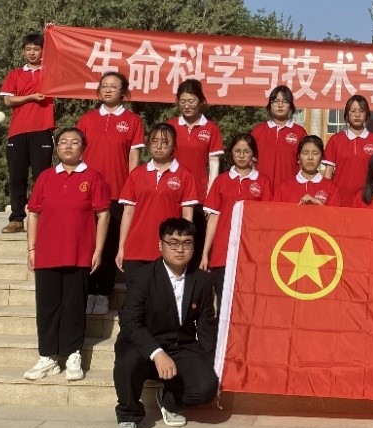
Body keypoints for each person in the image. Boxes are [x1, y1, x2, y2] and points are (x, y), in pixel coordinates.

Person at [112, 217, 218, 428]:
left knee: (206, 388)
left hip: (181, 346)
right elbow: (130, 322)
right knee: (127, 361)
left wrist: (211, 364)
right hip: (143, 343)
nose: (180, 249)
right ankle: (128, 416)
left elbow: (207, 325)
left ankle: (168, 399)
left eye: (187, 243)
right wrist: (157, 353)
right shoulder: (142, 277)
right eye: (173, 243)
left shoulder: (202, 280)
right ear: (161, 245)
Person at [23, 127, 110, 383]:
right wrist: (31, 248)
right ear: (57, 147)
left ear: (83, 148)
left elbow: (103, 214)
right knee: (47, 306)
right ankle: (48, 357)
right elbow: (34, 213)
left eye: (74, 142)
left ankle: (73, 354)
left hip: (79, 252)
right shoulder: (46, 177)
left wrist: (98, 250)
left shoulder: (93, 177)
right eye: (63, 142)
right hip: (47, 253)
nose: (68, 146)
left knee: (74, 306)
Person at [77, 72, 145, 315]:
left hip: (117, 191)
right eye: (104, 86)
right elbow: (77, 155)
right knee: (87, 242)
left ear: (123, 92)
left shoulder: (133, 121)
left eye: (113, 86)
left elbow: (134, 159)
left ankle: (103, 293)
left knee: (108, 244)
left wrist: (132, 190)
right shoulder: (87, 119)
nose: (107, 90)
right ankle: (87, 291)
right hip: (87, 191)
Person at [200, 132, 273, 323]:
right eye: (237, 151)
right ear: (231, 153)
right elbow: (213, 218)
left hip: (251, 253)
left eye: (246, 151)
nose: (241, 155)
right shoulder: (221, 181)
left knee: (247, 305)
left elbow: (267, 221)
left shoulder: (263, 181)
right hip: (223, 254)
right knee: (223, 305)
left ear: (253, 154)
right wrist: (205, 253)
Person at [115, 123, 199, 281]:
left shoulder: (185, 175)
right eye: (154, 141)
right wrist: (121, 248)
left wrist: (182, 247)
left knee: (164, 295)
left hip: (169, 250)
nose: (159, 146)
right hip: (135, 250)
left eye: (165, 142)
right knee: (135, 294)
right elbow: (128, 213)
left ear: (174, 145)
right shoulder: (136, 174)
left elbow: (187, 216)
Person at [0, 32, 55, 234]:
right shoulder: (15, 74)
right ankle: (16, 219)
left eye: (36, 49)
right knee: (17, 177)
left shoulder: (50, 74)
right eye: (28, 49)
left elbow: (64, 59)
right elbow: (7, 100)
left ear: (43, 51)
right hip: (18, 132)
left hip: (42, 131)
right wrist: (30, 97)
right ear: (23, 51)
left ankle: (42, 218)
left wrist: (51, 32)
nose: (32, 53)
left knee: (42, 178)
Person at [171, 79, 224, 267]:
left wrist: (211, 196)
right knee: (172, 240)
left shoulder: (211, 128)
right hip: (172, 192)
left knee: (194, 241)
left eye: (191, 101)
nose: (187, 106)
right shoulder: (171, 126)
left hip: (199, 196)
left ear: (200, 101)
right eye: (183, 101)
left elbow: (214, 164)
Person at [322, 94, 373, 204]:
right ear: (347, 114)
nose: (357, 115)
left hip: (367, 200)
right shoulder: (336, 140)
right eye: (353, 111)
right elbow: (328, 172)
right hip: (339, 199)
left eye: (361, 111)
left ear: (367, 114)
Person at [250, 85, 307, 185]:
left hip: (290, 188)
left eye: (285, 102)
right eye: (276, 101)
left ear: (291, 106)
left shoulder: (300, 132)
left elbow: (305, 165)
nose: (280, 105)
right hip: (261, 188)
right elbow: (250, 163)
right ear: (270, 105)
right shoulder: (258, 131)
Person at [274, 135, 339, 206]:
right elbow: (275, 211)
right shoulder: (284, 188)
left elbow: (336, 213)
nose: (310, 158)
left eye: (315, 153)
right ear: (299, 157)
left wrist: (320, 204)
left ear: (321, 157)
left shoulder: (331, 188)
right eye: (305, 153)